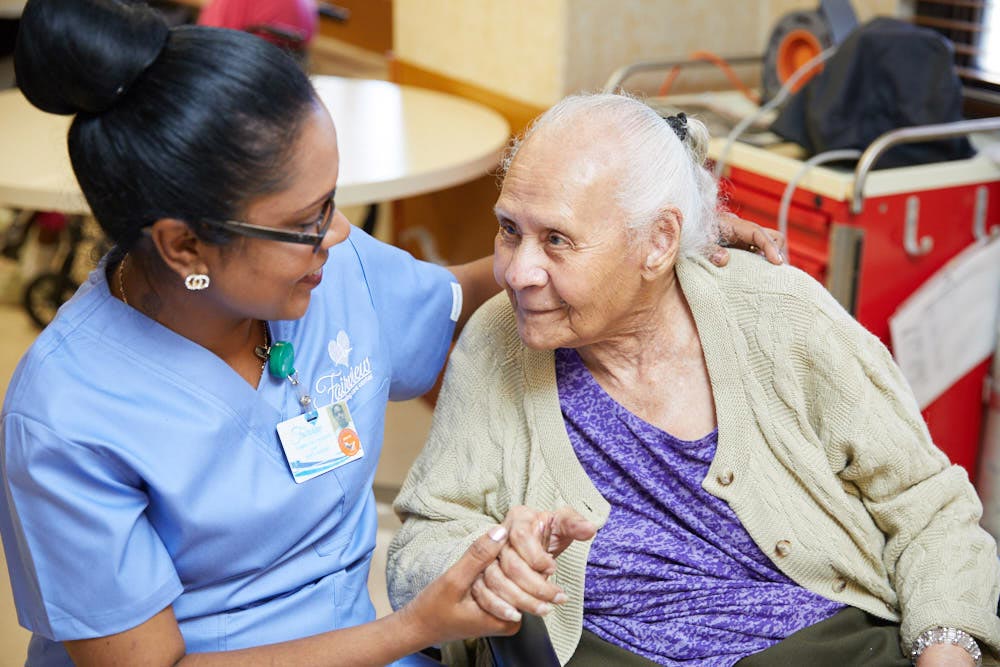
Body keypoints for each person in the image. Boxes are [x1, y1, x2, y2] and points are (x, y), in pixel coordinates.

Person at [0, 2, 782, 666]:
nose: (340, 236)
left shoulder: (331, 275)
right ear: (183, 247)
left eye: (333, 200)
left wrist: (649, 250)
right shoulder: (69, 417)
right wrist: (412, 627)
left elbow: (468, 294)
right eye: (305, 223)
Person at [387, 93, 1000, 667]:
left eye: (557, 241)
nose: (517, 272)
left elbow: (928, 508)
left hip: (820, 644)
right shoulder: (498, 341)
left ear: (659, 242)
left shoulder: (779, 314)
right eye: (510, 230)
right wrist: (491, 559)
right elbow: (419, 550)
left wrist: (947, 645)